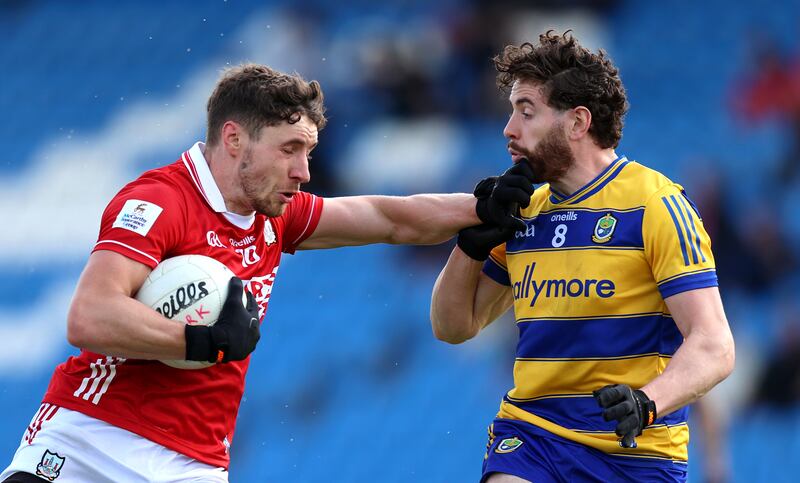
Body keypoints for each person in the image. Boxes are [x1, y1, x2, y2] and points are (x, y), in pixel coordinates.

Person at [0, 64, 531, 482]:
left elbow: (388, 218)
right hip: (89, 440)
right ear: (234, 140)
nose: (304, 170)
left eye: (308, 152)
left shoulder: (274, 214)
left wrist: (480, 206)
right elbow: (89, 315)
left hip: (194, 464)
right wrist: (198, 341)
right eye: (290, 150)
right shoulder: (160, 201)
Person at [430, 31, 735, 482]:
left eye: (526, 112)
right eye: (511, 111)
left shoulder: (655, 205)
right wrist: (470, 246)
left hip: (633, 451)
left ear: (577, 122)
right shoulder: (523, 212)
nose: (508, 129)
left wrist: (648, 402)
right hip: (533, 436)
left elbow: (714, 345)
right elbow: (453, 326)